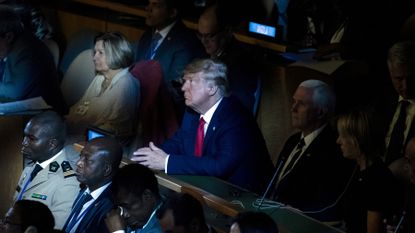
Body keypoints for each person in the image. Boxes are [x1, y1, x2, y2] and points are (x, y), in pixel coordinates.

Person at [132, 59, 274, 193]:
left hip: (243, 197)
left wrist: (167, 162)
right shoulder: (192, 112)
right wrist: (149, 157)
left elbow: (220, 165)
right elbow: (178, 142)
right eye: (184, 81)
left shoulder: (235, 117)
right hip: (206, 189)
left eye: (191, 81)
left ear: (211, 88)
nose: (183, 88)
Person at [271, 79, 354, 222]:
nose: (293, 108)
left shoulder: (334, 149)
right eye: (294, 101)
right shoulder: (292, 141)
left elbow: (323, 204)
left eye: (301, 103)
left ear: (320, 112)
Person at [134, 0, 205, 119]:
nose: (148, 8)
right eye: (149, 3)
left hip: (163, 116)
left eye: (155, 5)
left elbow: (173, 89)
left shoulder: (184, 41)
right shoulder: (148, 35)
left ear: (172, 12)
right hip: (138, 109)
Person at [66, 31, 140, 141]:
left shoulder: (126, 84)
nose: (94, 58)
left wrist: (79, 136)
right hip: (78, 134)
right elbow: (81, 106)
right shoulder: (100, 77)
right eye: (95, 52)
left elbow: (118, 129)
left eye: (101, 53)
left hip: (97, 143)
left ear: (116, 54)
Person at [336, 110, 402, 233]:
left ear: (357, 138)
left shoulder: (378, 179)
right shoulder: (357, 170)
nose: (338, 141)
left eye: (343, 136)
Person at [13, 111, 80, 229]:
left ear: (52, 144)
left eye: (31, 139)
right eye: (25, 136)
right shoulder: (32, 166)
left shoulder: (68, 182)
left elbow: (56, 228)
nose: (24, 143)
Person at [0, 5, 66, 114]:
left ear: (8, 37)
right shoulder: (8, 46)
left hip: (45, 117)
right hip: (19, 111)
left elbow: (15, 92)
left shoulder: (28, 51)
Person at [197, 3, 259, 113]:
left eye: (210, 36)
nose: (203, 41)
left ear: (227, 32)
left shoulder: (241, 64)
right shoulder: (201, 52)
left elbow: (239, 108)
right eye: (200, 35)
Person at [62, 137, 123, 233]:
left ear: (106, 169)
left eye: (87, 160)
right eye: (80, 156)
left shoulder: (110, 209)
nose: (79, 163)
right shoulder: (86, 188)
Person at [383, 41, 415, 166]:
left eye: (412, 78)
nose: (406, 87)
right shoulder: (383, 99)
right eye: (399, 79)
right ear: (390, 74)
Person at [105, 163, 163, 233]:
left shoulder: (164, 226)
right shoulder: (137, 222)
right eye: (120, 208)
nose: (125, 215)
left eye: (127, 206)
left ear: (147, 196)